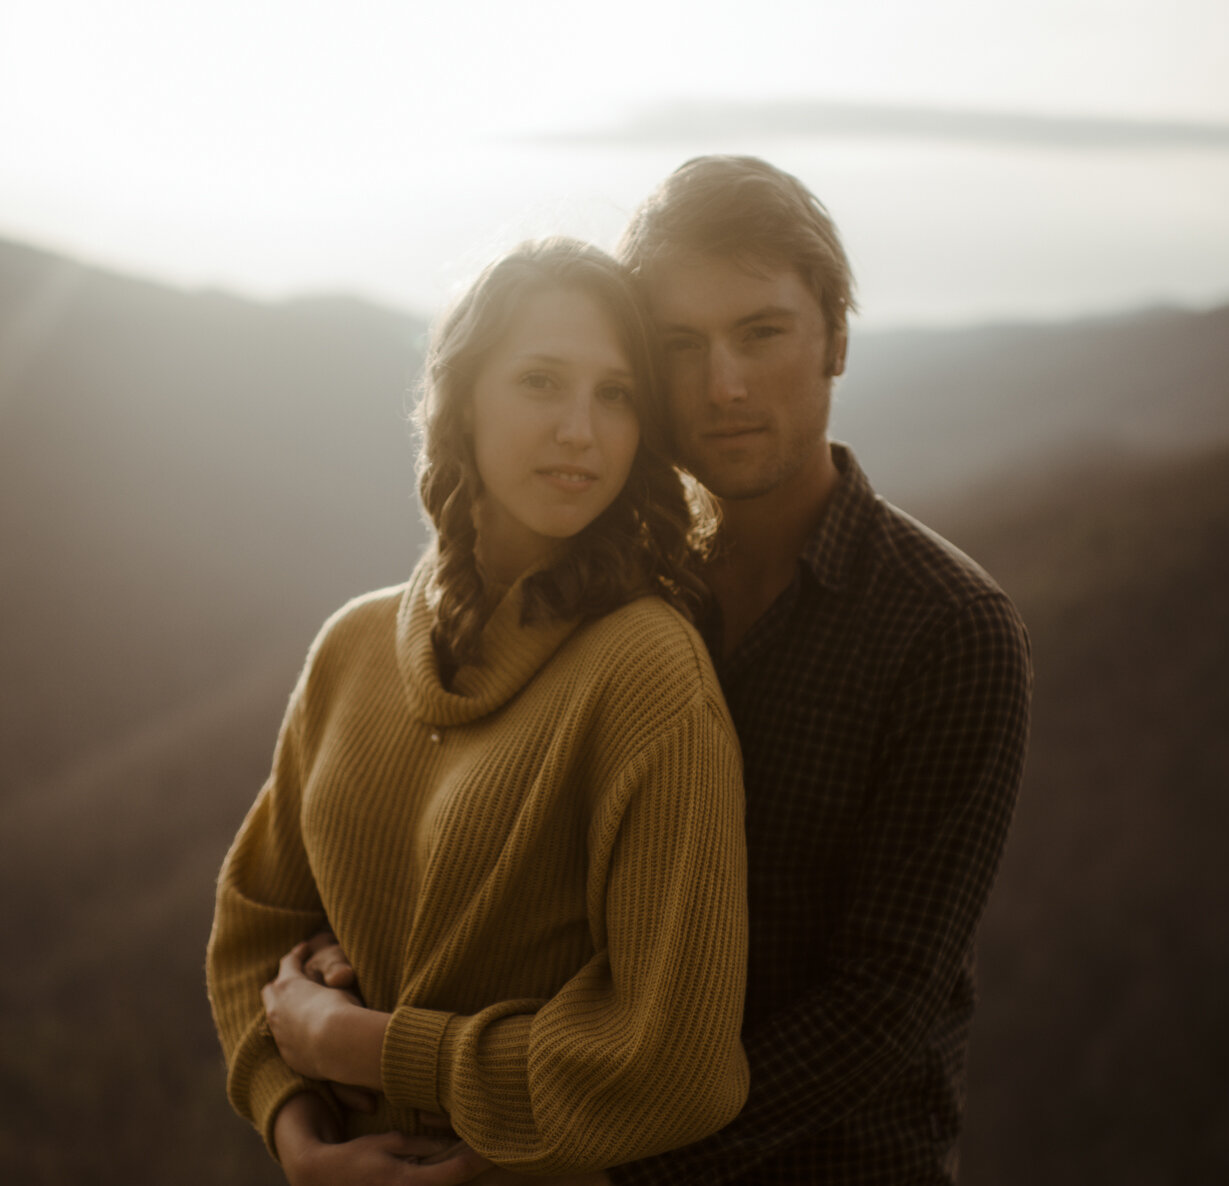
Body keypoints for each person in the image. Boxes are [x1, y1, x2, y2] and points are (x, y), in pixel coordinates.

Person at [287, 156, 1034, 1183]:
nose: (722, 385)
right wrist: (339, 970)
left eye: (761, 333)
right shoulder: (609, 583)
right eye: (678, 346)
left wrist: (585, 1163)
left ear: (837, 339)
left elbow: (879, 1004)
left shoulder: (946, 629)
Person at [207, 238, 752, 1186]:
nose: (581, 430)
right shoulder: (353, 645)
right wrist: (296, 1135)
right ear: (461, 400)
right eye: (542, 382)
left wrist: (367, 1047)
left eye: (615, 394)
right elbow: (257, 920)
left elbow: (675, 1060)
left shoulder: (648, 671)